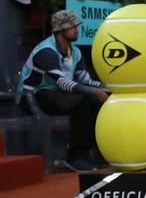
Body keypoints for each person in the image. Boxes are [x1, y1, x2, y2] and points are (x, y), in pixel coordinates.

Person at [15, 10, 109, 172]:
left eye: (76, 26)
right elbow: (62, 83)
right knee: (85, 100)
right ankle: (75, 157)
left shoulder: (76, 52)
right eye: (72, 27)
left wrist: (108, 88)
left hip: (57, 94)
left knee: (95, 101)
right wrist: (94, 92)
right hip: (34, 96)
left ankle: (93, 152)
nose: (76, 30)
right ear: (60, 30)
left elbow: (85, 80)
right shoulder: (46, 51)